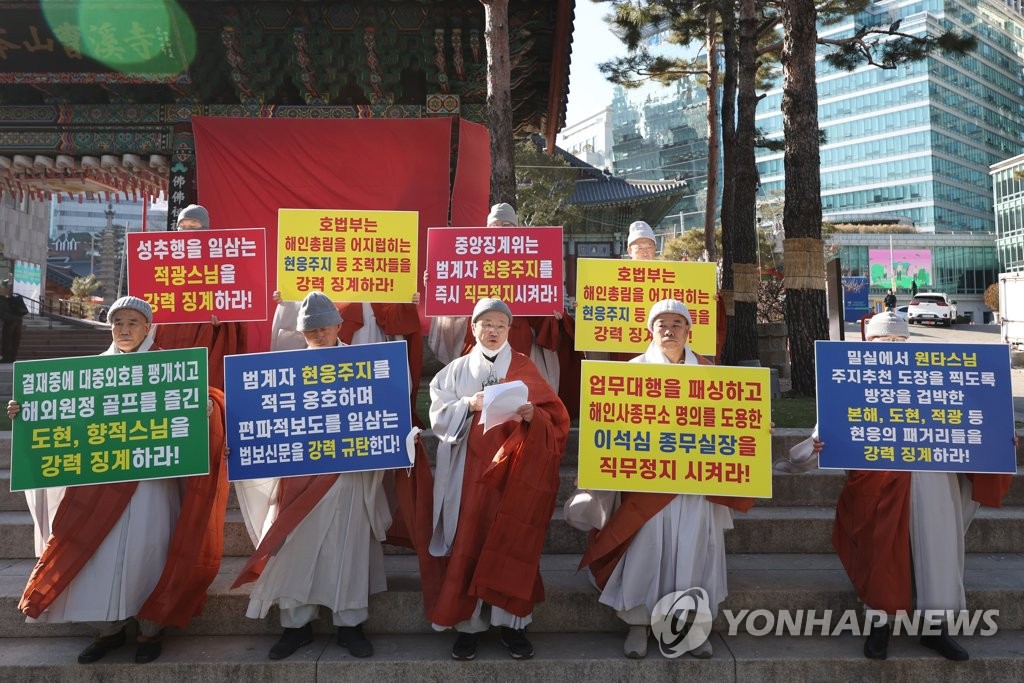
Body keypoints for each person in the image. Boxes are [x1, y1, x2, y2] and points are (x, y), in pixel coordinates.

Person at [775, 310, 1013, 661]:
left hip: (934, 483)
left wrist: (999, 444)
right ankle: (879, 628)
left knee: (937, 553)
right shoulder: (852, 384)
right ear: (868, 345)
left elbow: (971, 424)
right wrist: (814, 447)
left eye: (898, 342)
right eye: (883, 342)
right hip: (878, 486)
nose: (891, 348)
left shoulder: (936, 382)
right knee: (881, 556)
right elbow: (818, 441)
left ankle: (936, 631)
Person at [10, 295, 229, 664]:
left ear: (148, 327)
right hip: (100, 486)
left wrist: (205, 408)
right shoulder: (90, 373)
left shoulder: (169, 368)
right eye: (117, 323)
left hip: (151, 487)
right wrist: (26, 411)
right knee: (103, 559)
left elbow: (209, 399)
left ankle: (149, 630)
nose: (124, 330)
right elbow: (63, 415)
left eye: (132, 323)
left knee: (150, 552)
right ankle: (108, 630)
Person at [570, 299, 754, 659]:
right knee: (646, 548)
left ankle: (690, 627)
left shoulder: (711, 371)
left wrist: (753, 426)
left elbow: (730, 420)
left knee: (694, 549)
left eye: (677, 324)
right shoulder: (630, 371)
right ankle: (638, 622)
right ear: (650, 331)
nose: (669, 330)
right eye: (661, 324)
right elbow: (605, 423)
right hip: (646, 483)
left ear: (689, 331)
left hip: (695, 482)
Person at [233, 291, 390, 660]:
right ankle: (295, 625)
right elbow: (260, 423)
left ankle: (350, 623)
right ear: (301, 333)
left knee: (348, 547)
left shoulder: (366, 365)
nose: (319, 333)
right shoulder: (281, 372)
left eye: (324, 326)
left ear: (339, 324)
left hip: (348, 474)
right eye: (311, 329)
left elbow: (384, 414)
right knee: (296, 548)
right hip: (299, 475)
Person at [419, 297, 569, 661]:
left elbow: (557, 419)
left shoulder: (524, 366)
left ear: (509, 330)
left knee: (511, 541)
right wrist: (467, 405)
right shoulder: (454, 370)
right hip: (469, 473)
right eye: (485, 324)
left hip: (514, 474)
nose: (492, 331)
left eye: (500, 325)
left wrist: (534, 415)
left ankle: (512, 625)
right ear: (473, 328)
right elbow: (436, 414)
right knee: (470, 539)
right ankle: (468, 626)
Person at [153, 204, 247, 389]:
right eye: (183, 225)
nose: (187, 230)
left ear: (206, 229)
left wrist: (223, 321)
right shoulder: (163, 260)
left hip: (207, 335)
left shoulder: (223, 262)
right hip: (171, 333)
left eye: (194, 225)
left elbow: (235, 304)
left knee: (202, 386)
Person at [0, 278, 29, 362]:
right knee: (16, 339)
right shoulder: (13, 296)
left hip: (10, 320)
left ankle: (6, 357)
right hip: (18, 319)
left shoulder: (2, 297)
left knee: (7, 339)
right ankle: (13, 357)